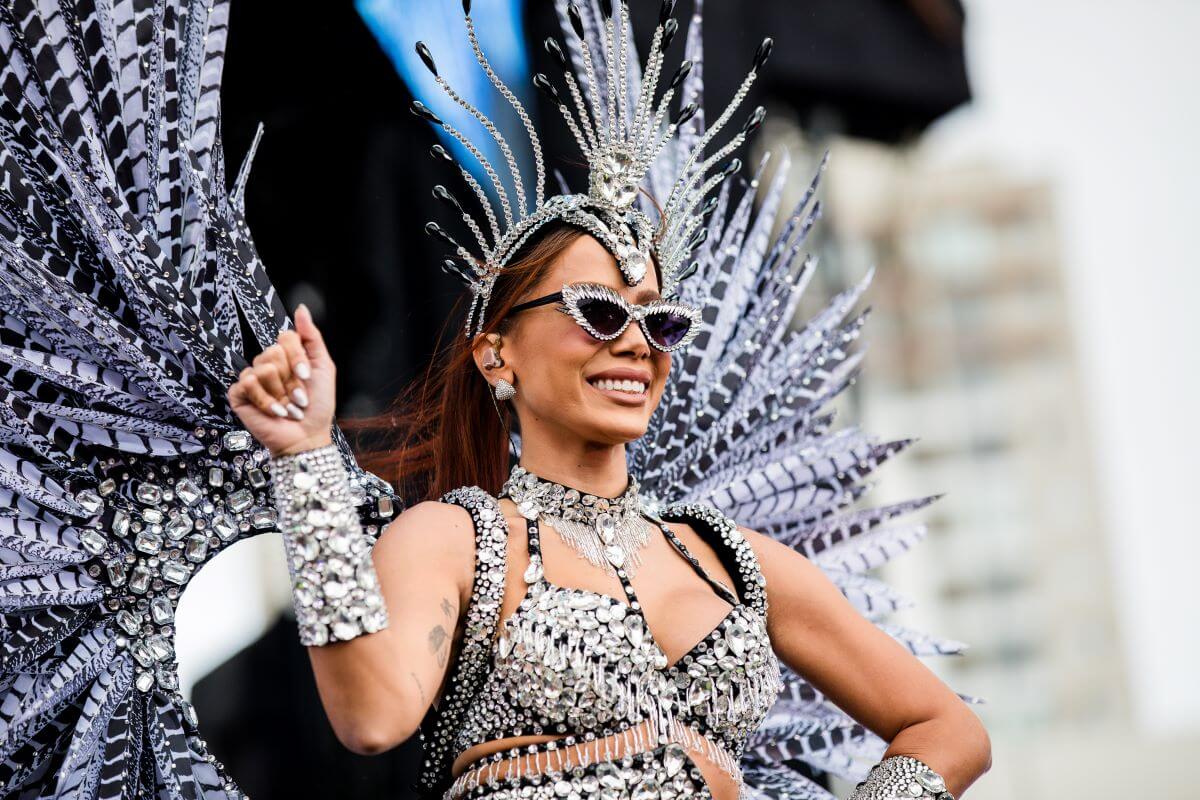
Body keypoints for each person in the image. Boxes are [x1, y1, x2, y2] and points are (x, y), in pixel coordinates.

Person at [0, 0, 988, 798]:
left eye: (662, 320)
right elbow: (374, 711)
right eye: (601, 312)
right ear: (498, 355)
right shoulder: (449, 540)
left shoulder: (738, 561)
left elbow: (947, 726)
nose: (638, 342)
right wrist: (304, 461)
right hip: (376, 455)